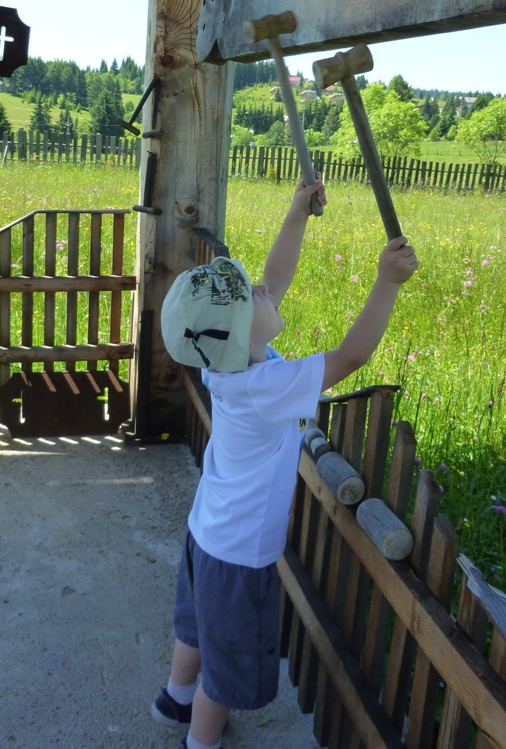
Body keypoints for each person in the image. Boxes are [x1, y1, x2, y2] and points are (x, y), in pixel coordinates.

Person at [151, 177, 418, 749]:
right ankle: (199, 740)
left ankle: (173, 697)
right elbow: (351, 356)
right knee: (224, 674)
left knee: (197, 626)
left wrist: (297, 214)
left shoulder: (230, 363)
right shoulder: (266, 385)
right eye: (253, 298)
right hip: (240, 556)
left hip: (207, 533)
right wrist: (386, 283)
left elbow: (274, 280)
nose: (262, 291)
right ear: (247, 333)